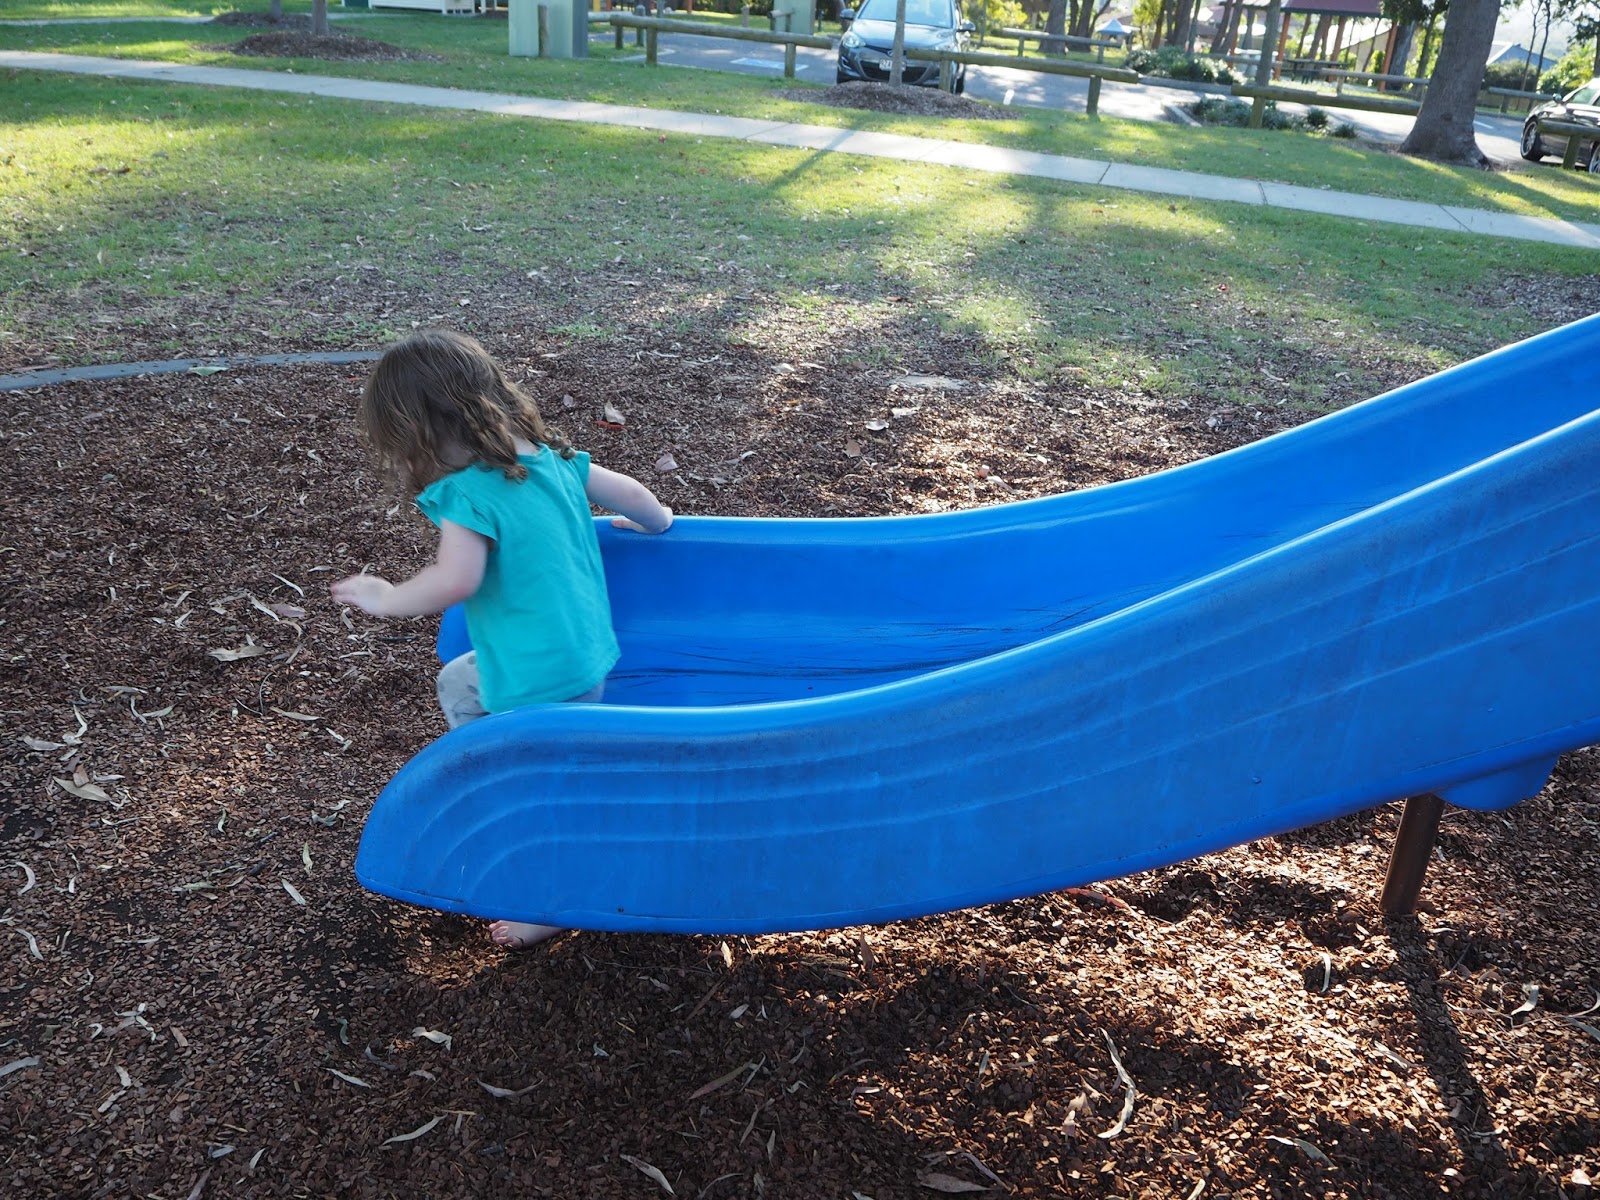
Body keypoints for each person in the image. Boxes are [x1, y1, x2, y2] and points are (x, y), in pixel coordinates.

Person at [331, 329, 672, 951]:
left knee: (547, 797)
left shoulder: (464, 493)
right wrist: (658, 522)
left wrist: (386, 598)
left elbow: (457, 578)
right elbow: (636, 497)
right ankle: (494, 764)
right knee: (458, 679)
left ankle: (554, 901)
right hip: (587, 652)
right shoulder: (552, 459)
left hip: (537, 675)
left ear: (418, 436)